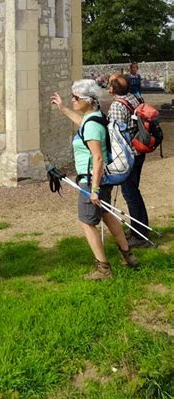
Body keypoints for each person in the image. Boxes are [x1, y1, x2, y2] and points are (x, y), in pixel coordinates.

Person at [51, 79, 139, 279]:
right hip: (101, 178)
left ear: (89, 100)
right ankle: (128, 257)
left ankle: (103, 268)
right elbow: (82, 123)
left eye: (76, 98)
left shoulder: (91, 126)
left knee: (87, 222)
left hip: (92, 179)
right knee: (107, 215)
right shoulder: (96, 117)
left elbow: (98, 158)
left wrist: (94, 189)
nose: (73, 100)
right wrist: (63, 108)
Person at [107, 73, 150, 247]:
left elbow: (115, 134)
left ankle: (139, 236)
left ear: (112, 88)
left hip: (128, 155)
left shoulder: (118, 105)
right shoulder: (135, 98)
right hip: (139, 150)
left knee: (130, 194)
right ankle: (140, 229)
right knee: (134, 192)